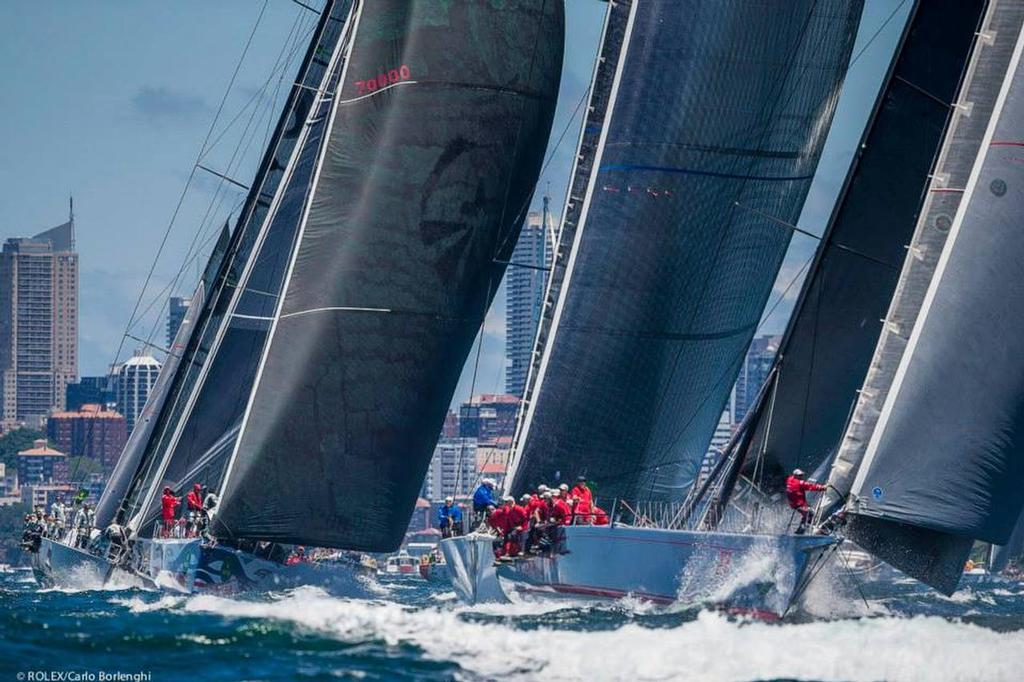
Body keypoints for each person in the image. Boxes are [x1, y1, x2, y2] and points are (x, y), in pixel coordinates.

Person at [786, 469, 826, 534]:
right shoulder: (799, 483)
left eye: (802, 475)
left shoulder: (789, 480)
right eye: (800, 475)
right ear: (796, 476)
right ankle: (802, 530)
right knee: (811, 513)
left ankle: (804, 527)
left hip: (793, 504)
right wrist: (822, 488)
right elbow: (810, 486)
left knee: (808, 512)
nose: (802, 477)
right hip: (799, 505)